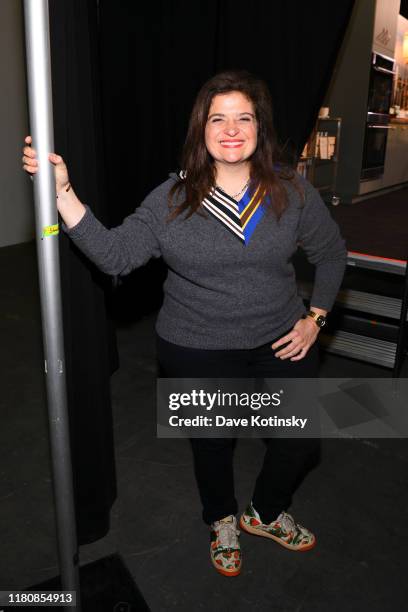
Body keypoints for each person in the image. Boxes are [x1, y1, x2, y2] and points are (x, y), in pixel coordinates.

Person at [22, 69, 347, 578]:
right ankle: (221, 518)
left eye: (244, 117)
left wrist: (315, 319)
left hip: (282, 337)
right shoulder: (171, 198)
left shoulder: (291, 190)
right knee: (213, 441)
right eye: (218, 118)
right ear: (201, 130)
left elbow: (331, 254)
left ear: (260, 128)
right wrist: (63, 192)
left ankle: (263, 513)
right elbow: (115, 256)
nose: (232, 128)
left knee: (300, 440)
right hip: (196, 345)